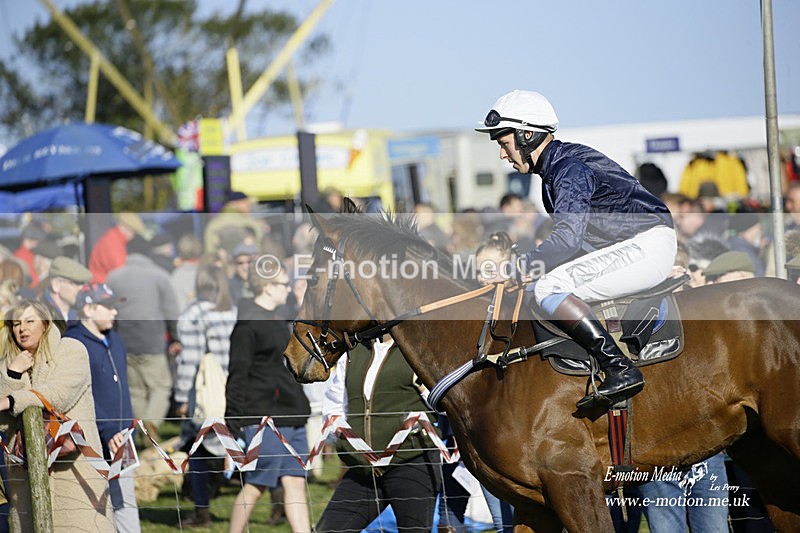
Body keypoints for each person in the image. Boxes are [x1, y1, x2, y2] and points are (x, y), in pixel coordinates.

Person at [476, 89, 677, 409]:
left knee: (550, 287)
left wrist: (522, 265)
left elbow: (568, 239)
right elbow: (576, 244)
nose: (503, 155)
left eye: (504, 143)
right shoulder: (554, 173)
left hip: (645, 244)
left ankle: (619, 368)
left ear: (527, 134)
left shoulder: (567, 169)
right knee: (544, 284)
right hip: (637, 244)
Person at [0, 299, 113, 531]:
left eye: (30, 321)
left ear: (45, 323)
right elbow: (3, 423)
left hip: (75, 477)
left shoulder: (70, 349)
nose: (22, 329)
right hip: (26, 483)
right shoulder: (8, 365)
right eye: (16, 323)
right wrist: (13, 372)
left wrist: (13, 400)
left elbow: (59, 394)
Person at [317, 335, 442, 533]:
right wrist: (341, 432)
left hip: (412, 462)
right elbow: (334, 404)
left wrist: (425, 386)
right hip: (363, 470)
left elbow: (444, 404)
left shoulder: (420, 346)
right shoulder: (352, 352)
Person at [226, 263, 311, 533]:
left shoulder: (279, 318)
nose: (288, 289)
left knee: (295, 481)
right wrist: (234, 420)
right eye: (284, 284)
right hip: (263, 417)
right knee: (258, 483)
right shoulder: (248, 324)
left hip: (292, 413)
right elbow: (237, 374)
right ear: (268, 286)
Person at [65, 284, 141, 533]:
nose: (114, 313)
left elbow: (122, 387)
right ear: (88, 308)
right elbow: (82, 393)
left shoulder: (114, 339)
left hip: (121, 437)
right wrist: (107, 429)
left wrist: (127, 426)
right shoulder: (74, 343)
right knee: (95, 505)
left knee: (125, 501)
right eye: (107, 307)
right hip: (92, 441)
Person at [175, 264, 237, 527]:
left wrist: (181, 397)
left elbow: (189, 360)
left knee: (198, 448)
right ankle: (275, 502)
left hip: (204, 392)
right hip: (231, 388)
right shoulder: (232, 310)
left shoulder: (195, 313)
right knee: (236, 445)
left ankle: (201, 511)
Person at [107, 235, 181, 441]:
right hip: (153, 342)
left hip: (125, 342)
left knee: (136, 389)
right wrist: (176, 337)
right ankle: (152, 423)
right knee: (161, 386)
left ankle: (143, 428)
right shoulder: (160, 276)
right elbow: (171, 311)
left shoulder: (113, 277)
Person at [88, 212, 148, 283]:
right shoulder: (114, 242)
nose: (132, 237)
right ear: (128, 230)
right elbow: (120, 270)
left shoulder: (113, 237)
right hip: (104, 285)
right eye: (133, 232)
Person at [40, 256, 93, 334]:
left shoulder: (81, 312)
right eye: (75, 283)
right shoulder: (40, 314)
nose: (81, 288)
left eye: (82, 284)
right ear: (56, 285)